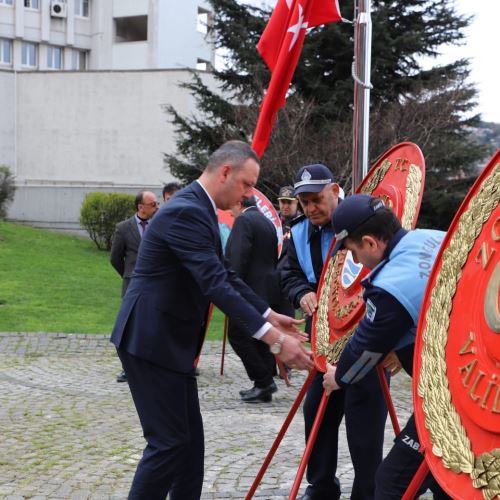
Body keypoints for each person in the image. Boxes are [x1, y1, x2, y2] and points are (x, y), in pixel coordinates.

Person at [110, 140, 313, 500]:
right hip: (151, 342)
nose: (249, 195)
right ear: (225, 172)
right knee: (168, 444)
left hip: (170, 344)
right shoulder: (187, 211)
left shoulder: (198, 208)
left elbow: (225, 274)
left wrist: (269, 315)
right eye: (247, 184)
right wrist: (275, 342)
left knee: (189, 446)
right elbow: (215, 283)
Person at [322, 194, 449, 499]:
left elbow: (366, 349)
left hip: (447, 401)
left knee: (392, 484)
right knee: (446, 480)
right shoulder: (433, 237)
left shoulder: (391, 286)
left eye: (352, 251)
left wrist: (338, 377)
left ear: (370, 242)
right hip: (473, 386)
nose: (355, 260)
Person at [281, 165, 388, 500]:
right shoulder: (298, 232)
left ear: (335, 190)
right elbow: (287, 271)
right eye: (304, 201)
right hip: (324, 338)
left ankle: (366, 491)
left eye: (316, 199)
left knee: (364, 421)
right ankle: (322, 485)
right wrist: (301, 292)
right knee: (317, 411)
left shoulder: (363, 218)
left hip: (363, 335)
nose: (310, 208)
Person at [225, 196, 282, 403]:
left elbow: (239, 257)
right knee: (259, 337)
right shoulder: (266, 221)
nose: (230, 213)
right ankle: (265, 382)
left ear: (239, 203)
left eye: (232, 208)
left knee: (238, 335)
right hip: (266, 289)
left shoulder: (244, 221)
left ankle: (263, 381)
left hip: (248, 289)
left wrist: (231, 288)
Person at [110, 190, 159, 383]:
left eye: (157, 203)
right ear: (141, 207)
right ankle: (128, 368)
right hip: (132, 285)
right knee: (129, 328)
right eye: (153, 204)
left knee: (152, 325)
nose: (157, 207)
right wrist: (128, 275)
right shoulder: (123, 228)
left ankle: (151, 364)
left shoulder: (159, 225)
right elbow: (115, 258)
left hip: (156, 285)